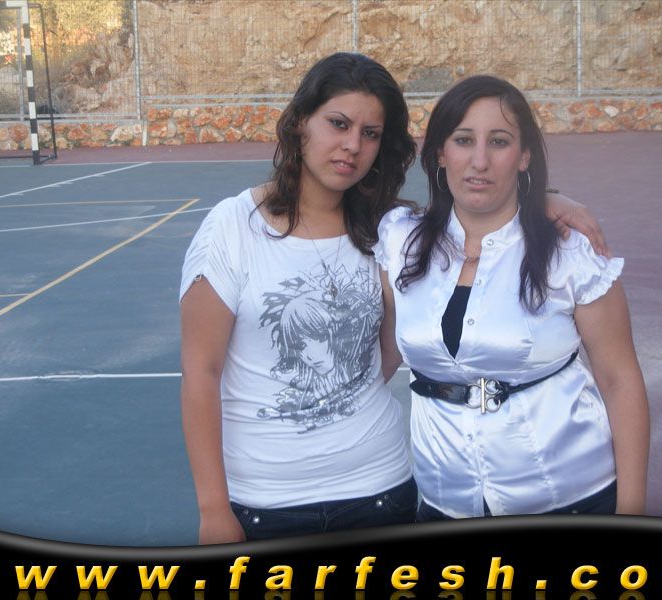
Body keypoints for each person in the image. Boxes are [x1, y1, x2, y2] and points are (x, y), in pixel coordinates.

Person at [180, 54, 610, 544]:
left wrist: (544, 199)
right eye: (338, 124)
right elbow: (200, 372)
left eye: (370, 133)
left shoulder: (387, 232)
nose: (352, 145)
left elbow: (393, 346)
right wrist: (213, 508)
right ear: (300, 122)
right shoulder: (233, 227)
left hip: (382, 489)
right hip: (264, 503)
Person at [375, 75, 649, 521]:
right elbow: (386, 354)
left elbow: (621, 381)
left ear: (523, 157)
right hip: (445, 502)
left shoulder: (570, 253)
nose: (479, 161)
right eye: (463, 140)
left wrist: (633, 511)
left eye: (499, 142)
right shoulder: (400, 241)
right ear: (441, 153)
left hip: (568, 499)